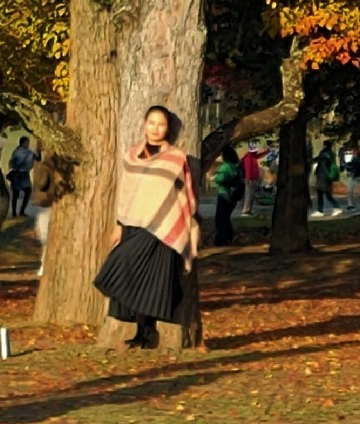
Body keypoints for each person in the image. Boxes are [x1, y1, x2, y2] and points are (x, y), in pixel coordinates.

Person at [94, 105, 200, 349]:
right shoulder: (132, 156)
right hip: (133, 224)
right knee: (125, 271)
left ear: (168, 128)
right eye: (151, 123)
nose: (155, 128)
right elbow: (126, 193)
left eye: (161, 124)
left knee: (153, 284)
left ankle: (147, 332)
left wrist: (184, 221)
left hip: (162, 228)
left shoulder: (175, 158)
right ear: (144, 124)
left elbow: (184, 193)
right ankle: (140, 332)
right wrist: (120, 224)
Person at [212, 144, 246, 246]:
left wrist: (216, 177)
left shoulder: (225, 167)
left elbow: (220, 179)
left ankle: (221, 240)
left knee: (220, 218)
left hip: (224, 193)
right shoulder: (237, 167)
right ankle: (229, 237)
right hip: (234, 195)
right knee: (226, 217)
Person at [7, 136, 36, 218]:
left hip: (24, 174)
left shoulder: (28, 152)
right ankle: (15, 213)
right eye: (27, 142)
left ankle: (21, 211)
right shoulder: (18, 152)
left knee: (27, 192)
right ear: (23, 143)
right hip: (18, 174)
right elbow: (12, 163)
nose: (28, 144)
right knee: (16, 194)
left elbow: (37, 158)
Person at [312, 139, 339, 215]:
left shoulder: (324, 154)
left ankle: (335, 207)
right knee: (324, 193)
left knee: (325, 193)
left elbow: (318, 160)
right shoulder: (331, 153)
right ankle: (320, 209)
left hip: (323, 175)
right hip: (327, 175)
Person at [240, 142, 263, 215]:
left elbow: (259, 155)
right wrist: (249, 178)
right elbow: (248, 169)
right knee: (249, 195)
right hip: (250, 179)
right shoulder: (248, 158)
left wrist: (267, 151)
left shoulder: (253, 156)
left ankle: (248, 209)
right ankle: (246, 209)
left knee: (251, 195)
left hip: (253, 178)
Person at [340, 145, 360, 212]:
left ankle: (353, 204)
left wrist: (346, 166)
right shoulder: (357, 157)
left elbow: (355, 167)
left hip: (354, 176)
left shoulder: (358, 158)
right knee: (352, 191)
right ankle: (351, 204)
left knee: (353, 191)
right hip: (354, 176)